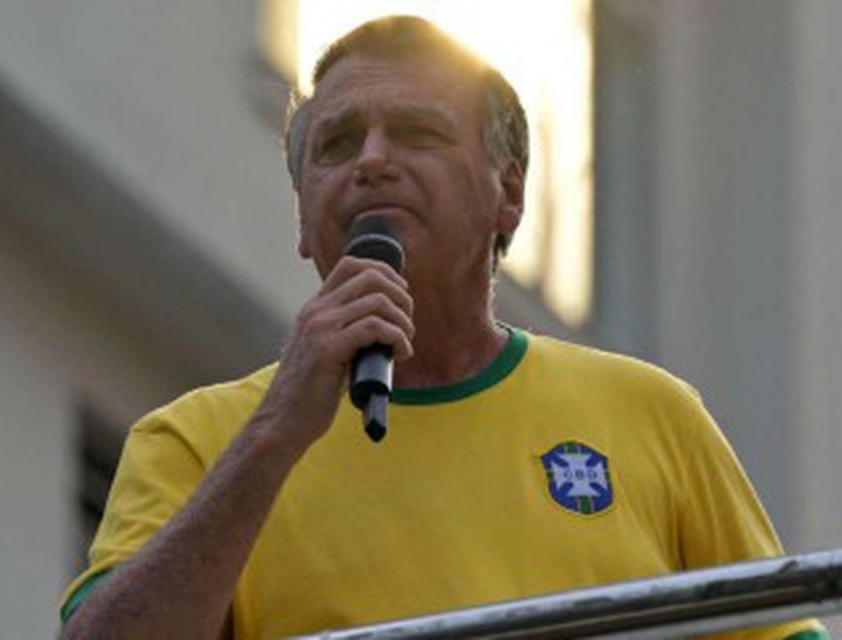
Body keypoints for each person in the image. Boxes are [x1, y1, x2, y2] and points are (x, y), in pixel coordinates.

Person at [59, 16, 828, 640]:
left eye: (417, 133)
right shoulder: (197, 441)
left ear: (510, 194)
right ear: (302, 215)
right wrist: (274, 434)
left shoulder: (651, 415)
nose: (371, 162)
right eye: (336, 144)